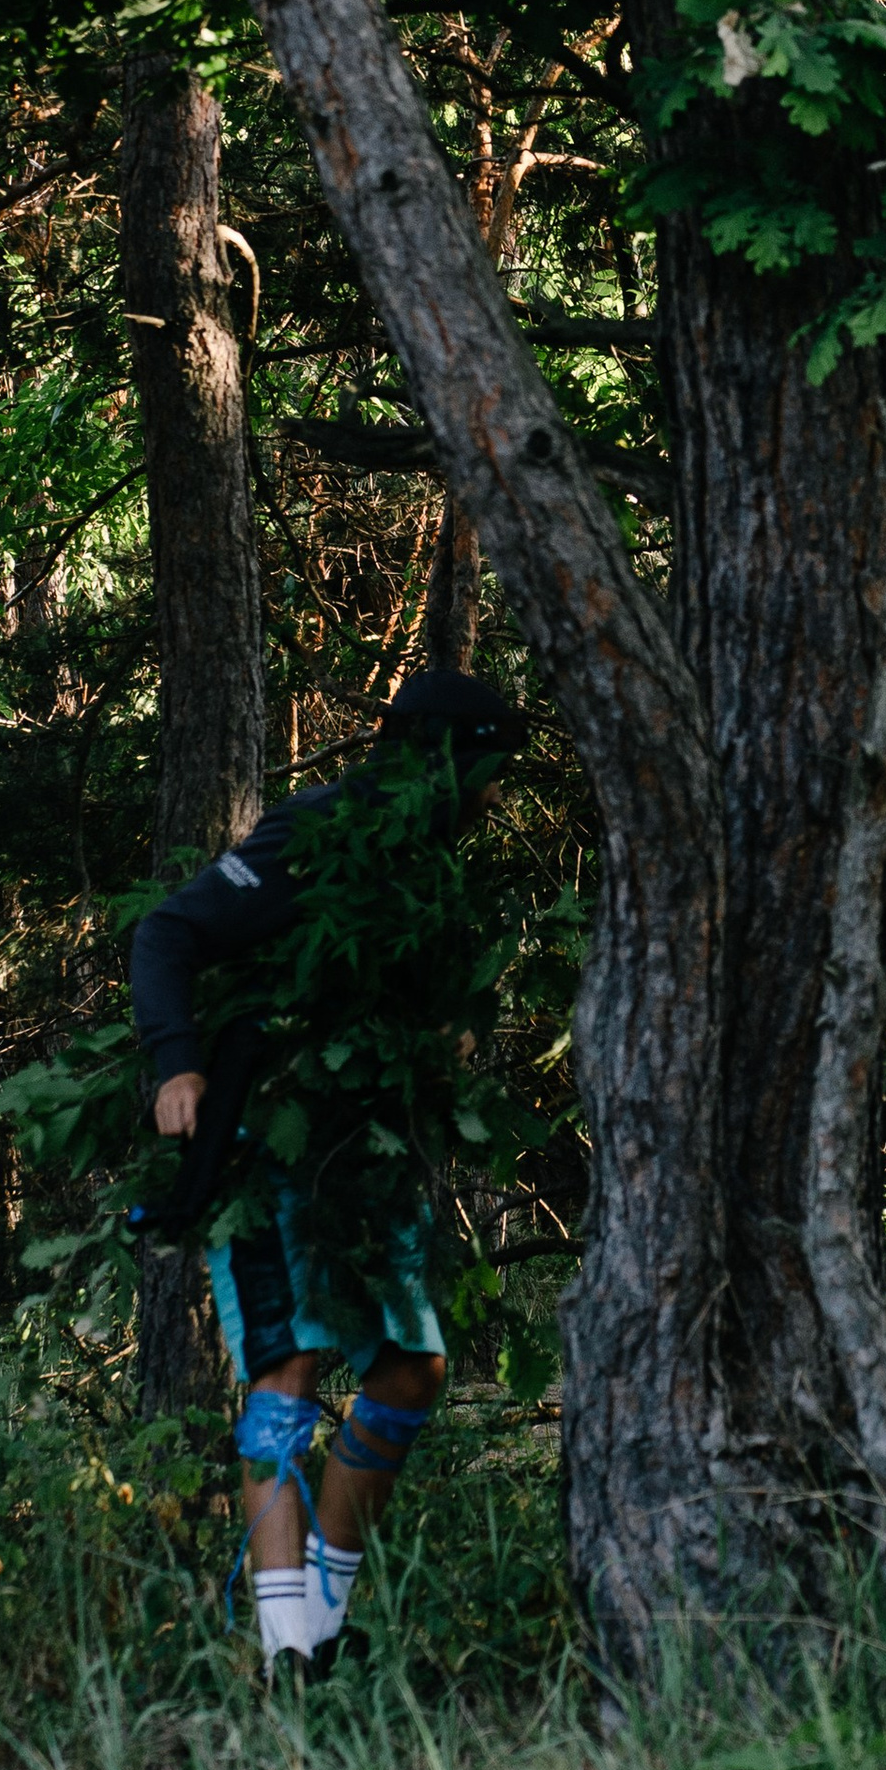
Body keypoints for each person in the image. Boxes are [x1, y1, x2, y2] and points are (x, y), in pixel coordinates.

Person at [128, 666, 522, 1679]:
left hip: (365, 1153)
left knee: (413, 1365)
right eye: (488, 772)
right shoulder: (314, 830)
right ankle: (287, 1653)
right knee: (287, 1371)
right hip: (268, 1136)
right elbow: (167, 931)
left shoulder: (431, 867)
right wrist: (178, 1063)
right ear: (444, 761)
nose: (494, 796)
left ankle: (324, 1621)